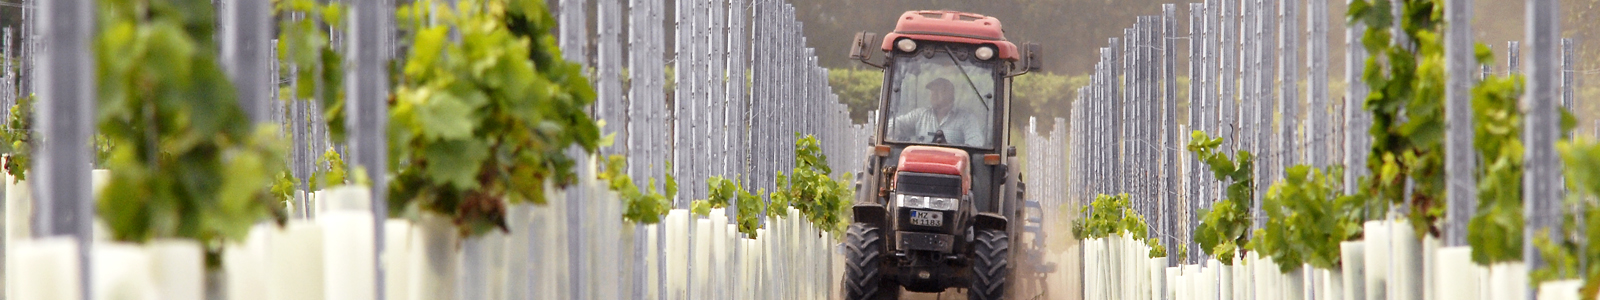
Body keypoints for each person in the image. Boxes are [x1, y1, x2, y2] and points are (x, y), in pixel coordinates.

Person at [890, 77, 987, 147]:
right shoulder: (920, 115)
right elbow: (895, 124)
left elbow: (976, 144)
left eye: (938, 91)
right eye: (932, 91)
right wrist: (890, 131)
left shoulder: (966, 119)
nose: (933, 94)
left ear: (950, 93)